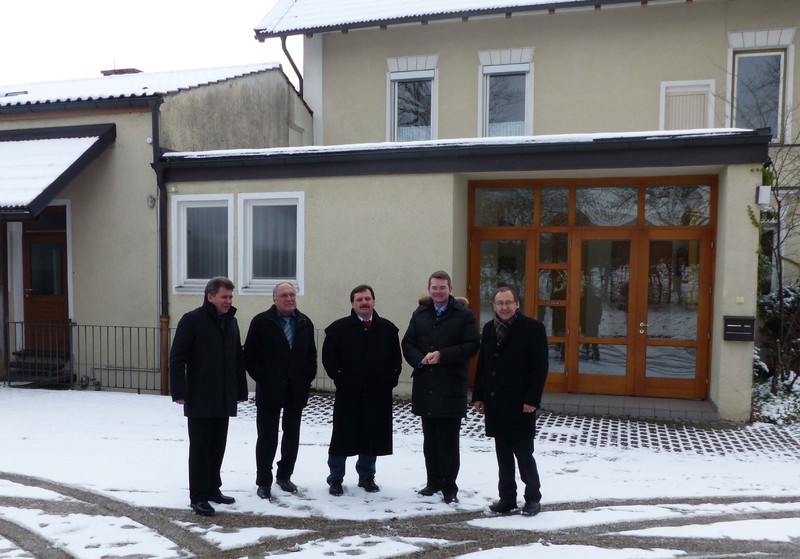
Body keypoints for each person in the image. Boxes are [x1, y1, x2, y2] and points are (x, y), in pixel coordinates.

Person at [169, 276, 248, 517]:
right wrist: (179, 391)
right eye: (224, 297)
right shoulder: (192, 320)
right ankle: (199, 496)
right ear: (210, 296)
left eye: (231, 297)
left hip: (224, 396)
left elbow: (237, 358)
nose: (228, 301)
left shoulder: (230, 322)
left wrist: (241, 390)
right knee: (201, 448)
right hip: (200, 396)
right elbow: (177, 357)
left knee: (217, 447)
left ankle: (214, 489)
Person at [401, 270, 480, 504]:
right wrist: (420, 359)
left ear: (450, 289)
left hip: (451, 385)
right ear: (429, 290)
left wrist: (442, 355)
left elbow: (472, 345)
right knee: (430, 439)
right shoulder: (420, 313)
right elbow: (407, 342)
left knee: (448, 439)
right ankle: (432, 482)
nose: (438, 291)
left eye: (442, 287)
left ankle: (449, 486)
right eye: (434, 287)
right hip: (426, 384)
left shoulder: (463, 315)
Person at [472, 286, 549, 517]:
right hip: (496, 404)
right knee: (503, 456)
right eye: (499, 303)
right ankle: (507, 499)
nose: (504, 307)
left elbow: (540, 368)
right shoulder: (489, 328)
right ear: (494, 306)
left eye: (508, 302)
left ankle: (533, 498)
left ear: (517, 304)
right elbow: (483, 365)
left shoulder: (533, 329)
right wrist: (478, 395)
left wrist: (532, 399)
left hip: (521, 404)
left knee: (524, 455)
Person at [322, 285, 402, 496]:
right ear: (352, 303)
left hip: (377, 393)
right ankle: (336, 479)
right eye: (359, 299)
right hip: (349, 394)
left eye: (367, 298)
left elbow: (396, 360)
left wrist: (389, 382)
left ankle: (367, 477)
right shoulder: (338, 329)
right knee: (341, 438)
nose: (364, 303)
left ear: (374, 301)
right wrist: (342, 380)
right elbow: (329, 359)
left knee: (371, 436)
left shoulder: (388, 329)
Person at [243, 282, 317, 500]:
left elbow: (310, 355)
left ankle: (285, 476)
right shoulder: (261, 322)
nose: (289, 299)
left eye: (292, 295)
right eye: (284, 295)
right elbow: (250, 356)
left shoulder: (304, 322)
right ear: (274, 298)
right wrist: (264, 378)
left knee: (291, 436)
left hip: (296, 389)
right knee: (267, 437)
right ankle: (264, 481)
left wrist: (306, 376)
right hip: (270, 389)